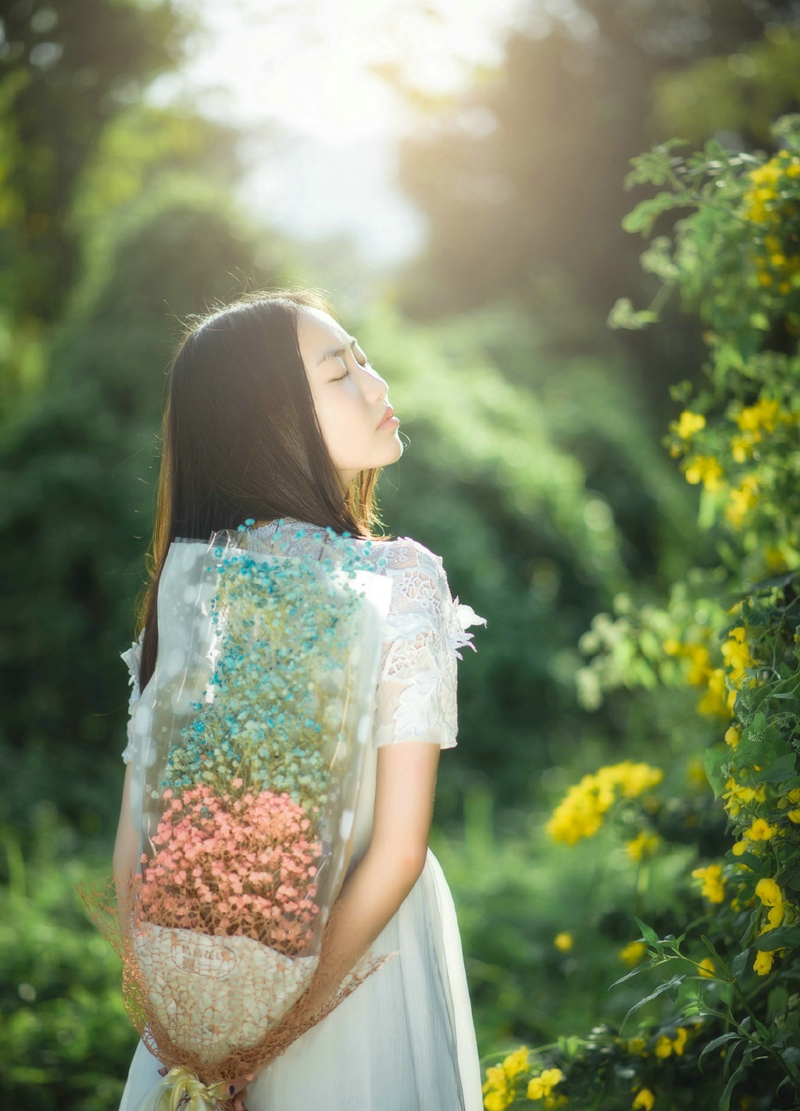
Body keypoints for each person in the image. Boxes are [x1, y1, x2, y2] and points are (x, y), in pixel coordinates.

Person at [113, 290, 486, 1111]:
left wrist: (203, 1043)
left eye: (363, 356)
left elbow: (131, 860)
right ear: (269, 420)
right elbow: (396, 850)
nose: (377, 383)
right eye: (341, 371)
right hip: (361, 978)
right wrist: (263, 1040)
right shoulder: (399, 578)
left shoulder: (191, 588)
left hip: (200, 1009)